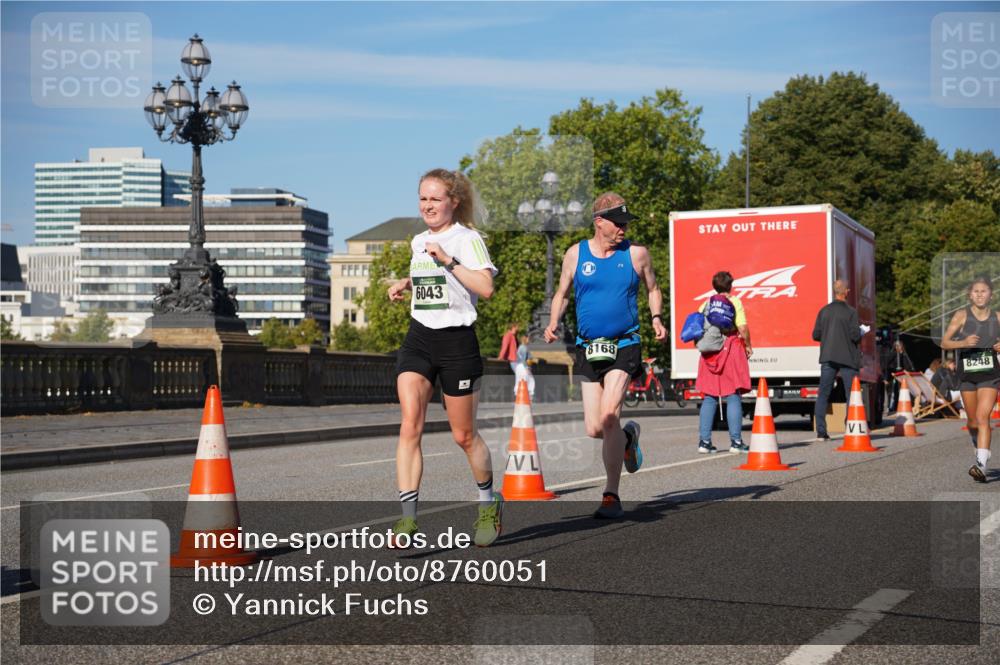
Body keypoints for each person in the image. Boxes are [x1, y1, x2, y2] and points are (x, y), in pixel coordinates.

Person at [386, 168, 502, 546]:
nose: (428, 206)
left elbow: (485, 288)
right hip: (419, 338)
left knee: (463, 436)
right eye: (423, 198)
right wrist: (406, 283)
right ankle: (407, 522)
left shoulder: (468, 240)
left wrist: (449, 260)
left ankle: (487, 503)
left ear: (453, 201)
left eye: (435, 199)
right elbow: (432, 283)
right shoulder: (418, 241)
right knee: (410, 425)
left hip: (457, 343)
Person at [544, 192, 668, 519]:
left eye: (627, 223)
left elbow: (653, 288)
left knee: (609, 414)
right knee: (594, 428)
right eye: (618, 222)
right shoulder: (575, 254)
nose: (624, 228)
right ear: (599, 222)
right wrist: (554, 320)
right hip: (588, 346)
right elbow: (562, 293)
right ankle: (628, 437)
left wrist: (656, 317)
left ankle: (611, 494)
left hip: (624, 342)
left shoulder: (637, 254)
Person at [940, 276, 1000, 482]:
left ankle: (981, 465)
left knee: (984, 418)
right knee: (973, 421)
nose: (980, 294)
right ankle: (981, 449)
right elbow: (944, 343)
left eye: (984, 291)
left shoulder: (998, 317)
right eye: (976, 291)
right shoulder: (961, 315)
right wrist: (963, 342)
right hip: (967, 374)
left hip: (990, 374)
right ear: (969, 295)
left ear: (991, 295)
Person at [695, 271, 753, 453]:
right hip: (730, 349)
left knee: (710, 396)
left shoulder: (705, 304)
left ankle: (704, 442)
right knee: (733, 394)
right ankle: (736, 442)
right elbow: (742, 328)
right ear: (730, 286)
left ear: (714, 286)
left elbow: (698, 327)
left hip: (709, 353)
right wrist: (749, 345)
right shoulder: (734, 302)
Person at [811, 280, 868, 440]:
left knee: (823, 393)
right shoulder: (851, 312)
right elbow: (855, 335)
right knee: (851, 393)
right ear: (846, 292)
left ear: (835, 292)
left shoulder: (824, 311)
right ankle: (850, 426)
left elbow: (815, 335)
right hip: (847, 358)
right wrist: (861, 331)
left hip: (828, 357)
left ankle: (821, 431)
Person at [884, 339, 916, 412]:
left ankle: (904, 405)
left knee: (903, 391)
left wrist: (907, 370)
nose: (899, 347)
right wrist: (890, 374)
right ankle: (894, 407)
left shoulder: (904, 354)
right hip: (894, 375)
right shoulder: (893, 354)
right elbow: (888, 364)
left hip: (903, 375)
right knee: (895, 391)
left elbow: (908, 365)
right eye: (897, 346)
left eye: (900, 345)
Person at [499, 322, 520, 396]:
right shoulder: (508, 335)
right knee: (519, 374)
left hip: (515, 360)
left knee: (520, 374)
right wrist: (500, 357)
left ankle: (517, 391)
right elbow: (504, 347)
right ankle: (517, 391)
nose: (518, 329)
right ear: (512, 327)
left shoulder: (514, 336)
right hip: (512, 360)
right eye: (516, 327)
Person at [514, 333, 535, 400]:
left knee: (519, 381)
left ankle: (518, 395)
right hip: (523, 366)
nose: (529, 340)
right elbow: (524, 359)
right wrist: (526, 368)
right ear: (525, 339)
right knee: (530, 380)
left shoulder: (520, 347)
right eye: (528, 338)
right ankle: (529, 396)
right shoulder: (524, 348)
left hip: (518, 366)